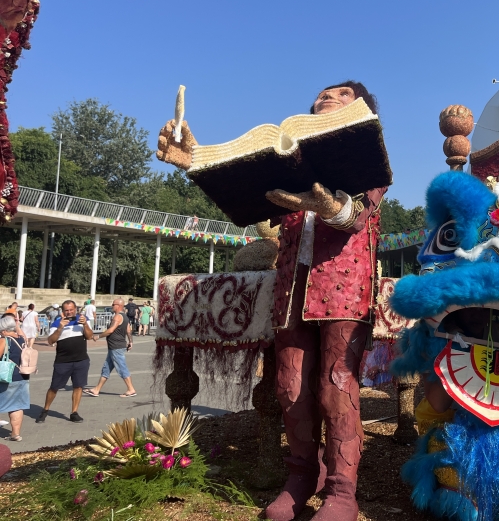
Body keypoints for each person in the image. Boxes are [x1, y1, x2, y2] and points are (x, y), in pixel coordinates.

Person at [157, 80, 387, 521]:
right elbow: (245, 202)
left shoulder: (366, 159)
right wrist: (195, 163)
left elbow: (359, 219)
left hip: (343, 286)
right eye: (322, 94)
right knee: (290, 386)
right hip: (290, 290)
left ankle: (342, 492)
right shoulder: (289, 161)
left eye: (340, 94)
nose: (326, 97)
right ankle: (301, 477)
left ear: (360, 109)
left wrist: (328, 206)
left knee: (336, 386)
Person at [36, 300, 93, 424]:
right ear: (63, 311)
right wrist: (60, 327)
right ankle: (45, 410)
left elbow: (89, 336)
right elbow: (50, 341)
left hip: (81, 360)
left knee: (78, 386)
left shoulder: (83, 319)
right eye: (66, 310)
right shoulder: (57, 323)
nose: (69, 312)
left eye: (71, 309)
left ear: (76, 309)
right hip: (63, 361)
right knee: (54, 387)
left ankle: (74, 412)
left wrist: (85, 325)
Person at [83, 299, 136, 398]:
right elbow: (128, 330)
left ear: (118, 305)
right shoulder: (124, 317)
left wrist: (98, 336)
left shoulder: (117, 317)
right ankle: (96, 390)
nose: (112, 306)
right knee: (106, 368)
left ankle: (131, 389)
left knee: (121, 367)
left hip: (116, 347)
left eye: (113, 304)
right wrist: (131, 342)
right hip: (115, 346)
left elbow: (110, 330)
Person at [0, 313, 30, 441]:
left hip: (7, 377)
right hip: (22, 376)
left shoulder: (4, 340)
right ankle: (15, 434)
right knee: (17, 406)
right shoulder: (22, 339)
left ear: (5, 330)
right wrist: (17, 324)